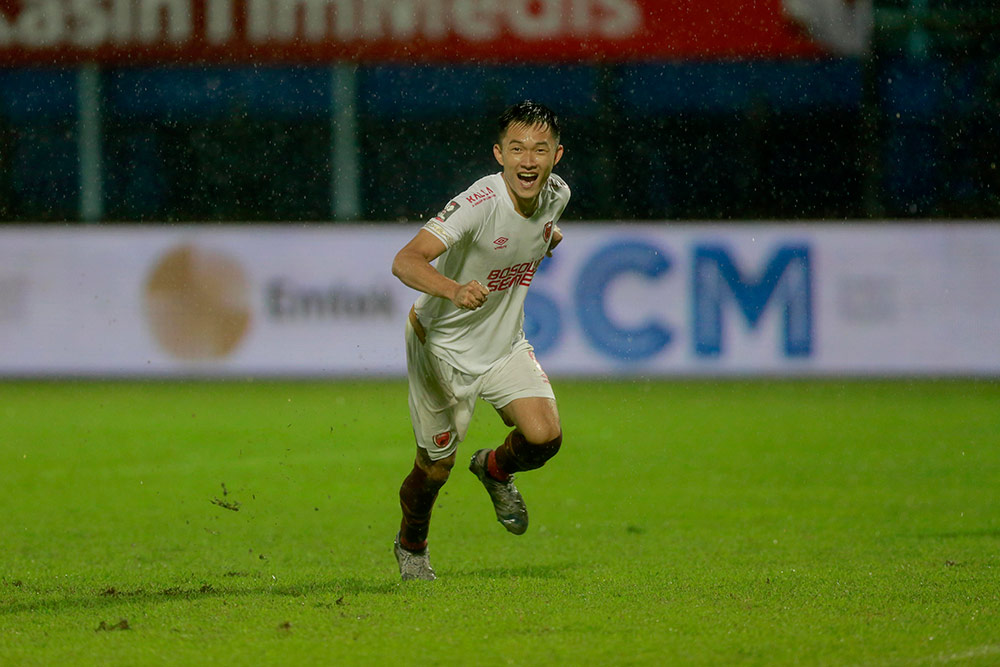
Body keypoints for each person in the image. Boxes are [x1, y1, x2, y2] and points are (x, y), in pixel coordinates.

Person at [390, 100, 571, 581]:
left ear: (557, 155)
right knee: (434, 469)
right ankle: (412, 544)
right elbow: (405, 261)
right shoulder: (479, 203)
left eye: (539, 149)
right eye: (517, 149)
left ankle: (493, 468)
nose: (527, 160)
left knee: (544, 436)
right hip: (441, 350)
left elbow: (536, 230)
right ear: (499, 154)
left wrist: (546, 240)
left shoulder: (557, 194)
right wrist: (453, 289)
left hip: (503, 343)